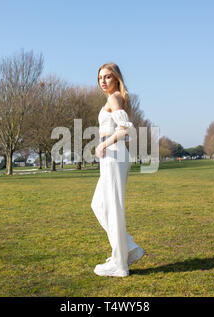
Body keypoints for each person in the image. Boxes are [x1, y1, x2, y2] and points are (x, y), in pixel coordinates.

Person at [91, 62, 145, 277]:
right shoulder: (113, 99)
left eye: (107, 77)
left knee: (112, 207)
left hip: (114, 154)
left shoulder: (114, 98)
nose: (103, 81)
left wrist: (104, 144)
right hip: (112, 155)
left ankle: (120, 264)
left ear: (117, 79)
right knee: (99, 204)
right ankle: (126, 249)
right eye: (100, 78)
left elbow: (126, 130)